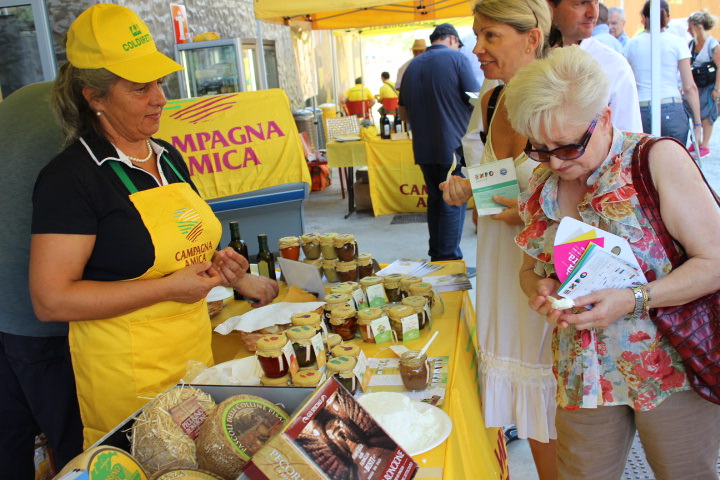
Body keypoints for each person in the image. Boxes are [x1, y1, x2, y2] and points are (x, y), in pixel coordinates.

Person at [28, 4, 279, 447]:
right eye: (140, 88)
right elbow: (51, 299)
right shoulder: (71, 178)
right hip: (127, 381)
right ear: (94, 96)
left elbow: (176, 249)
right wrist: (167, 288)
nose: (160, 98)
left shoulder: (166, 155)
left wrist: (221, 268)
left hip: (194, 359)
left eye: (159, 83)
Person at [506, 45, 720, 480]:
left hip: (671, 367)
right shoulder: (541, 182)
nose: (554, 162)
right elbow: (531, 270)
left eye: (568, 147)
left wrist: (633, 299)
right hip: (583, 373)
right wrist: (541, 291)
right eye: (540, 149)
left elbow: (715, 262)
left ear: (603, 118)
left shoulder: (655, 161)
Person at [441, 1, 557, 478]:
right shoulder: (490, 99)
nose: (477, 48)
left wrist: (520, 209)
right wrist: (460, 186)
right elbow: (486, 181)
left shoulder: (557, 100)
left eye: (490, 36)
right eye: (476, 35)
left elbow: (589, 201)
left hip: (546, 281)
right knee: (528, 409)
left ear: (532, 38)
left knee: (557, 410)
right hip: (498, 271)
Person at [0, 82, 84, 477]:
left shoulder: (23, 97)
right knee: (78, 450)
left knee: (10, 442)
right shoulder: (85, 116)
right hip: (44, 318)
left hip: (9, 309)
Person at [398, 24, 480, 261]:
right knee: (453, 200)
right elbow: (476, 101)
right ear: (453, 39)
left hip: (423, 147)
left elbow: (402, 113)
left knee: (436, 200)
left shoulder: (412, 66)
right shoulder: (457, 59)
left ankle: (437, 256)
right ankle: (448, 260)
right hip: (453, 145)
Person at [548, 0, 643, 134]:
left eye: (596, 2)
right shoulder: (529, 58)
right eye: (581, 3)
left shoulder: (614, 66)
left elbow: (628, 142)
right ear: (550, 6)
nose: (593, 13)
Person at [623, 0, 702, 145]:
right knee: (673, 160)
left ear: (644, 18)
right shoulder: (677, 43)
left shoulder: (631, 45)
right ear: (668, 18)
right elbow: (689, 87)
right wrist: (698, 123)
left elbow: (627, 82)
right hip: (670, 105)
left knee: (643, 162)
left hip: (641, 107)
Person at [687, 9, 720, 158]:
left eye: (690, 27)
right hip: (697, 83)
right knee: (696, 112)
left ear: (698, 27)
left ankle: (705, 144)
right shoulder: (691, 44)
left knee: (707, 114)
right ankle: (697, 141)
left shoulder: (713, 45)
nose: (688, 30)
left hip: (709, 84)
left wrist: (717, 88)